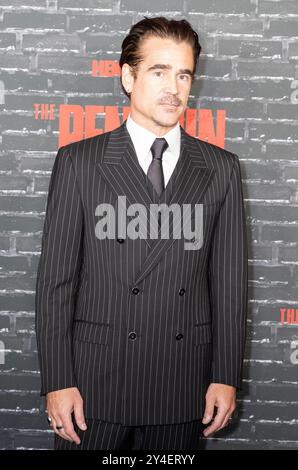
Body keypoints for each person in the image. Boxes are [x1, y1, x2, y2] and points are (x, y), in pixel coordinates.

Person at [35, 16, 248, 451]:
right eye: (159, 71)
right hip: (93, 386)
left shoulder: (221, 168)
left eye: (184, 74)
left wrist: (225, 376)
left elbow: (229, 285)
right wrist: (58, 380)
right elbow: (55, 283)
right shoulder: (80, 162)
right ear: (128, 76)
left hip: (181, 383)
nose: (174, 86)